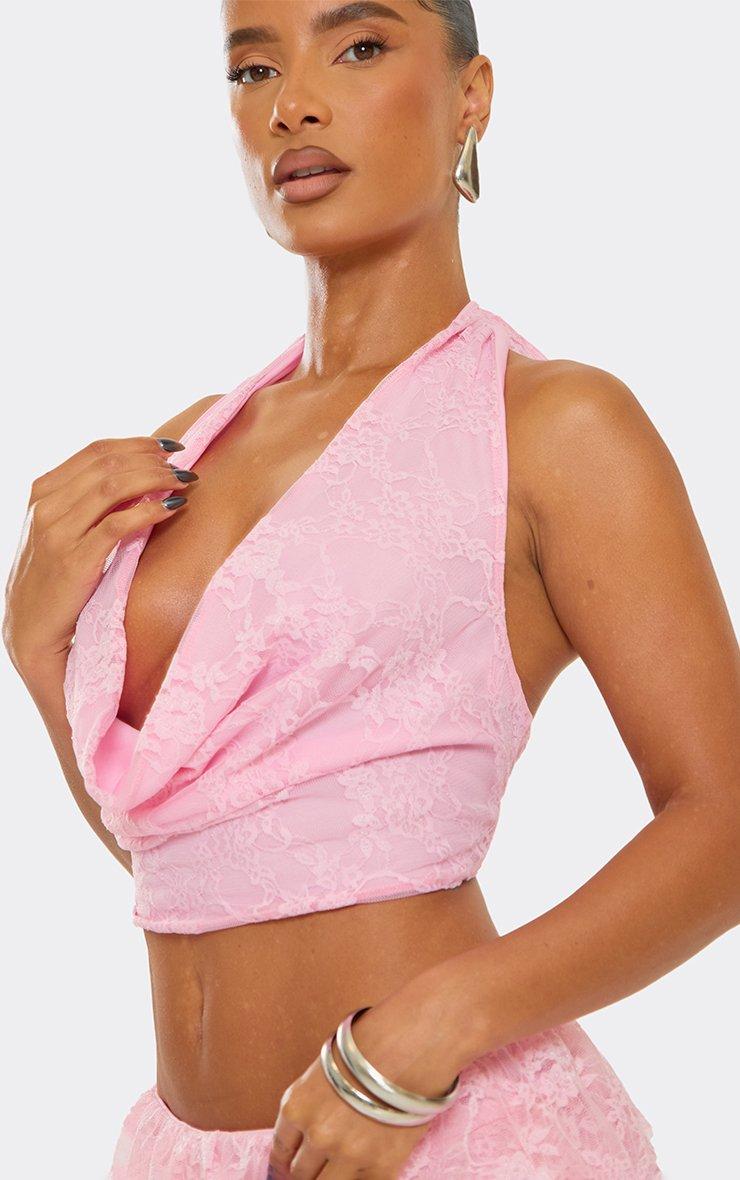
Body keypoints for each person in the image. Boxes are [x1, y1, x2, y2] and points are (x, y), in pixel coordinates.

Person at [5, 2, 738, 1177]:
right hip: (184, 1148)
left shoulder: (550, 426)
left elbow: (724, 817)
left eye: (356, 47)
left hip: (445, 1136)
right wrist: (36, 652)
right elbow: (196, 856)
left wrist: (431, 1027)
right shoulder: (184, 446)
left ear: (469, 98)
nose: (290, 104)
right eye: (252, 68)